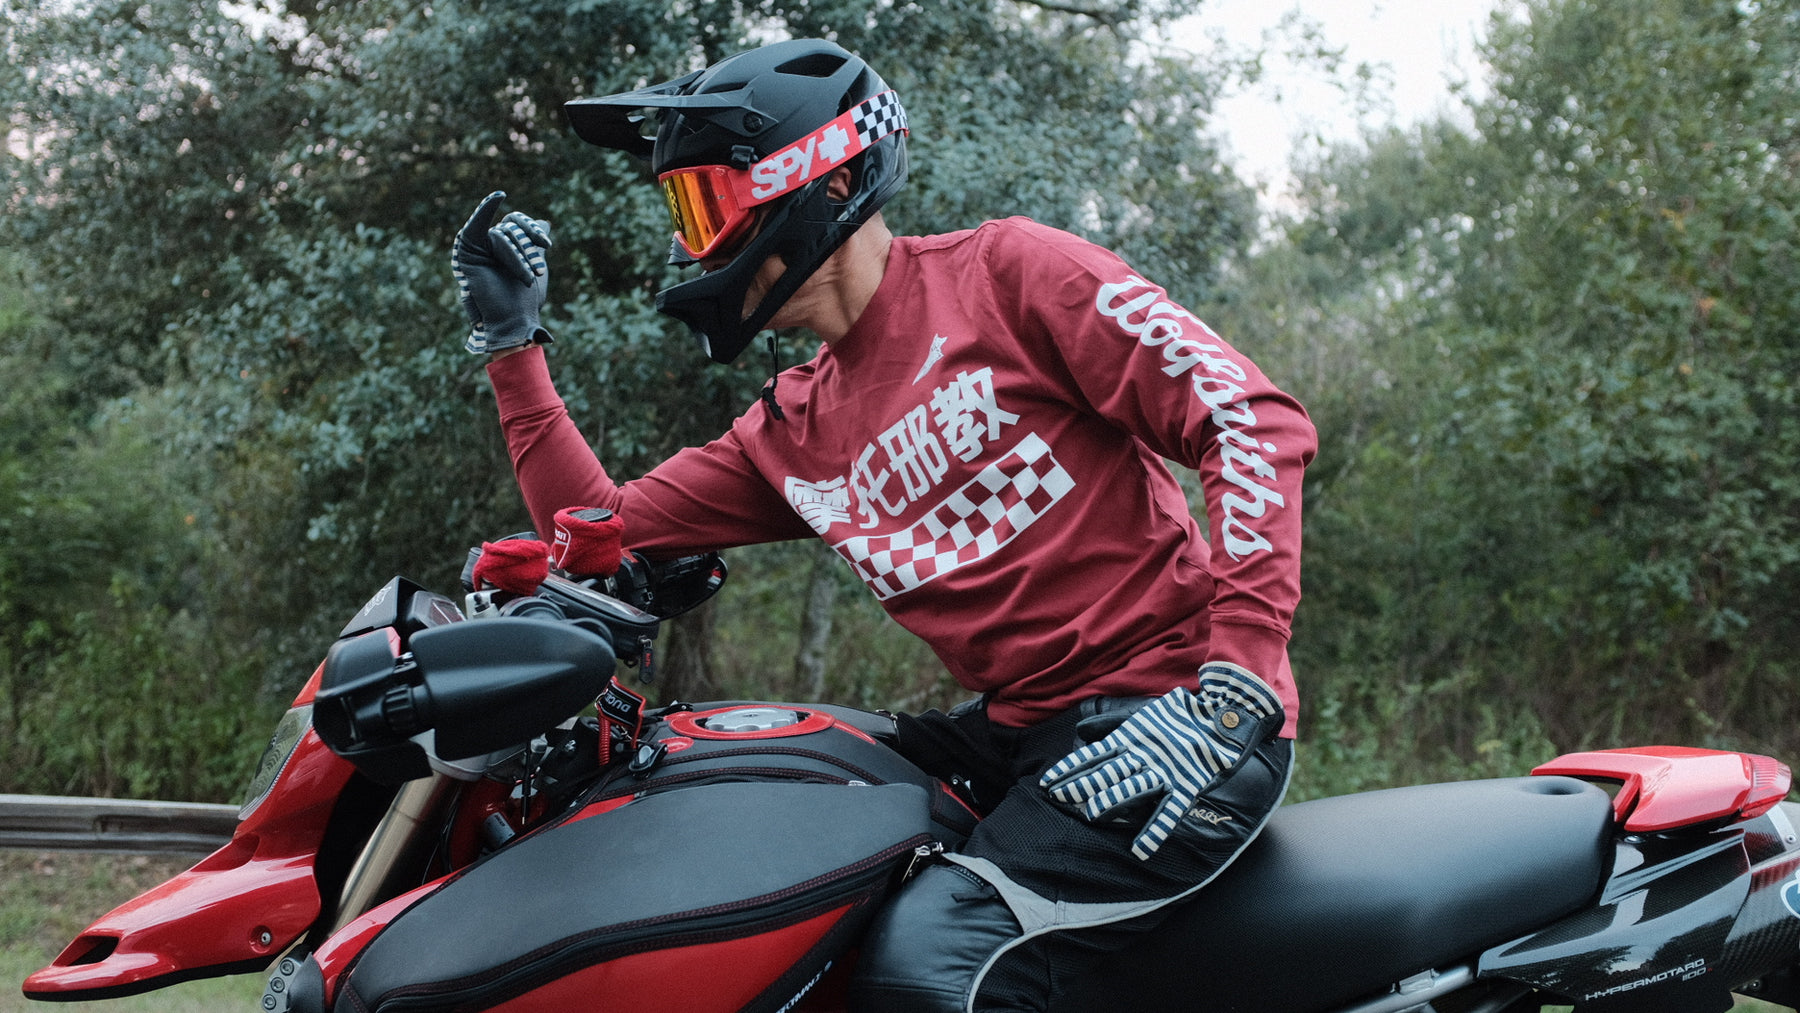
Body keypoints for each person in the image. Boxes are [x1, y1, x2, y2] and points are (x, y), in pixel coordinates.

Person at [450, 38, 1316, 1013]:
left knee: (931, 955)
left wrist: (1236, 681)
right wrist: (512, 345)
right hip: (1023, 731)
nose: (694, 249)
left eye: (707, 206)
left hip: (1181, 717)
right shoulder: (789, 426)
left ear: (821, 180)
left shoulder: (1008, 275)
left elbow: (1249, 418)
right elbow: (599, 528)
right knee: (750, 783)